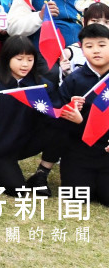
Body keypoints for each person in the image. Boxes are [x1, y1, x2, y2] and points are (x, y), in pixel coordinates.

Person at [0, 35, 63, 196]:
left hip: (25, 142)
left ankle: (41, 174)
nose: (25, 64)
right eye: (19, 58)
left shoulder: (41, 85)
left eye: (30, 59)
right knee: (18, 190)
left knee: (60, 127)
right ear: (7, 58)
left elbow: (53, 114)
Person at [56, 23, 109, 204]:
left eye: (102, 45)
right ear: (81, 48)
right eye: (89, 46)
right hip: (80, 152)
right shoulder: (74, 80)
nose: (96, 51)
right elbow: (57, 116)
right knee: (77, 198)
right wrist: (72, 115)